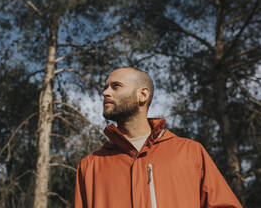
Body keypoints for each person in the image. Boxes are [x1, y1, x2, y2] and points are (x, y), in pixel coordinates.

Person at [72, 67, 242, 208]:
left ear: (143, 95)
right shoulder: (90, 165)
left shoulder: (190, 152)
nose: (104, 92)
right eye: (106, 87)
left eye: (115, 86)